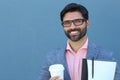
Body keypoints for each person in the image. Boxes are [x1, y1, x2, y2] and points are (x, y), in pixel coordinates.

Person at [38, 3, 120, 80]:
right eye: (67, 23)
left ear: (87, 23)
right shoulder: (52, 57)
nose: (72, 27)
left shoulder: (105, 56)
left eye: (78, 21)